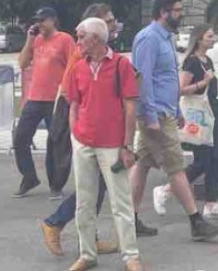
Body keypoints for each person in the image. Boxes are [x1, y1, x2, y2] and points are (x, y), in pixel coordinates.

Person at [129, 0, 218, 242]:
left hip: (164, 111)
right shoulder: (148, 39)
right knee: (176, 167)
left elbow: (167, 79)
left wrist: (177, 109)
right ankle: (196, 221)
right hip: (156, 115)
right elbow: (143, 80)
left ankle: (129, 219)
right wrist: (151, 116)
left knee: (143, 164)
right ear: (163, 12)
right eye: (177, 10)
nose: (181, 14)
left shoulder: (165, 38)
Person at [65, 18, 144, 271]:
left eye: (80, 37)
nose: (77, 42)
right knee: (84, 202)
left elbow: (130, 108)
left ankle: (130, 255)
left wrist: (127, 145)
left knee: (120, 202)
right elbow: (74, 104)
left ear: (95, 39)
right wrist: (75, 134)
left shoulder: (121, 65)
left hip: (112, 143)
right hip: (84, 141)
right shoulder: (78, 67)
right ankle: (87, 253)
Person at [42, 3, 120, 256]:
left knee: (97, 184)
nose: (114, 24)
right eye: (108, 21)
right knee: (93, 183)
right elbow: (68, 92)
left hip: (91, 121)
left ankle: (88, 235)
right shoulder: (81, 53)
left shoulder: (102, 53)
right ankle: (55, 222)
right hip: (78, 119)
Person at [152, 24, 218, 220]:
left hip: (210, 114)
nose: (213, 39)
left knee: (215, 159)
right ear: (199, 39)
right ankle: (166, 189)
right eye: (209, 36)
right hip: (197, 115)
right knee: (203, 160)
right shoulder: (191, 62)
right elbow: (180, 89)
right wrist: (203, 83)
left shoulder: (208, 61)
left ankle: (211, 203)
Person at [14, 6, 75, 198]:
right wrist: (29, 40)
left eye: (42, 20)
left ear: (53, 20)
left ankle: (56, 184)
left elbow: (74, 66)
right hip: (35, 97)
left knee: (57, 143)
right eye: (37, 21)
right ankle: (29, 176)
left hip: (56, 98)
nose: (39, 24)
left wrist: (68, 93)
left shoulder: (64, 39)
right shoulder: (36, 40)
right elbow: (23, 63)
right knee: (20, 138)